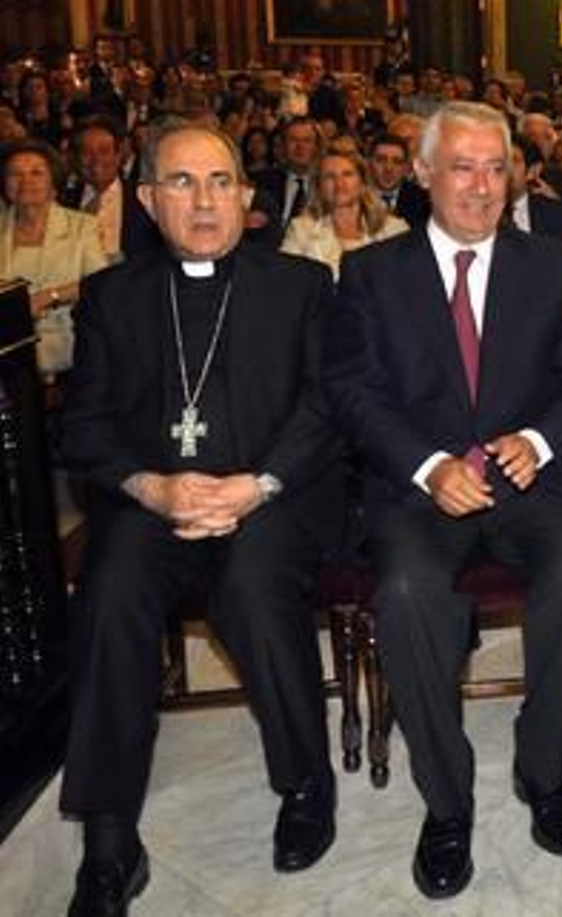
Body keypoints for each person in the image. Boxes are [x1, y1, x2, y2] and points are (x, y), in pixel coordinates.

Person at [323, 102, 562, 898]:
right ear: (421, 173)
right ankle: (446, 802)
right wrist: (426, 464)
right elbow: (352, 389)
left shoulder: (552, 265)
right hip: (419, 491)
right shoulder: (374, 273)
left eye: (495, 167)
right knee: (409, 593)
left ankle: (542, 768)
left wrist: (542, 440)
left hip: (533, 481)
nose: (481, 186)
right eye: (461, 166)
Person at [59, 120, 343, 915]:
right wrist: (150, 486)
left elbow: (325, 407)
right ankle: (111, 835)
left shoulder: (298, 285)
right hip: (155, 501)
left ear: (248, 198)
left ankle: (306, 784)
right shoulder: (112, 297)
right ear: (148, 200)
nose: (205, 199)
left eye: (220, 181)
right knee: (109, 593)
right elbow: (81, 427)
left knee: (255, 588)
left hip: (270, 497)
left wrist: (258, 484)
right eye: (181, 183)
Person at [0, 138, 109, 373]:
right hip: (7, 358)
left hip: (70, 356)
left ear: (53, 181)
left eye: (36, 173)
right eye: (15, 174)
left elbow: (103, 287)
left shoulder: (83, 227)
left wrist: (50, 296)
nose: (25, 181)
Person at [279, 150, 407, 279]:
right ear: (319, 186)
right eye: (329, 176)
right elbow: (288, 281)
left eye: (347, 174)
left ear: (362, 182)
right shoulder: (300, 229)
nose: (339, 183)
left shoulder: (394, 229)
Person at [63, 117, 162, 261]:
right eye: (86, 152)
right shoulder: (63, 199)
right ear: (76, 158)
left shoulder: (143, 196)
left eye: (104, 151)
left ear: (118, 155)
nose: (95, 159)